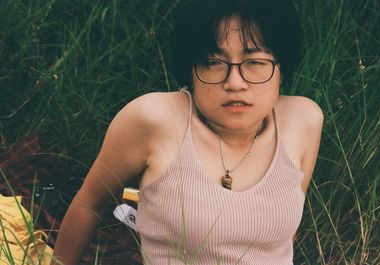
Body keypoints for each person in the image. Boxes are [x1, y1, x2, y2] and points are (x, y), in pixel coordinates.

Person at [52, 0, 323, 264]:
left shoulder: (303, 122)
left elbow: (285, 238)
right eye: (213, 62)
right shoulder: (155, 119)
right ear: (190, 69)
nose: (235, 82)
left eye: (255, 62)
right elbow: (91, 203)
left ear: (281, 68)